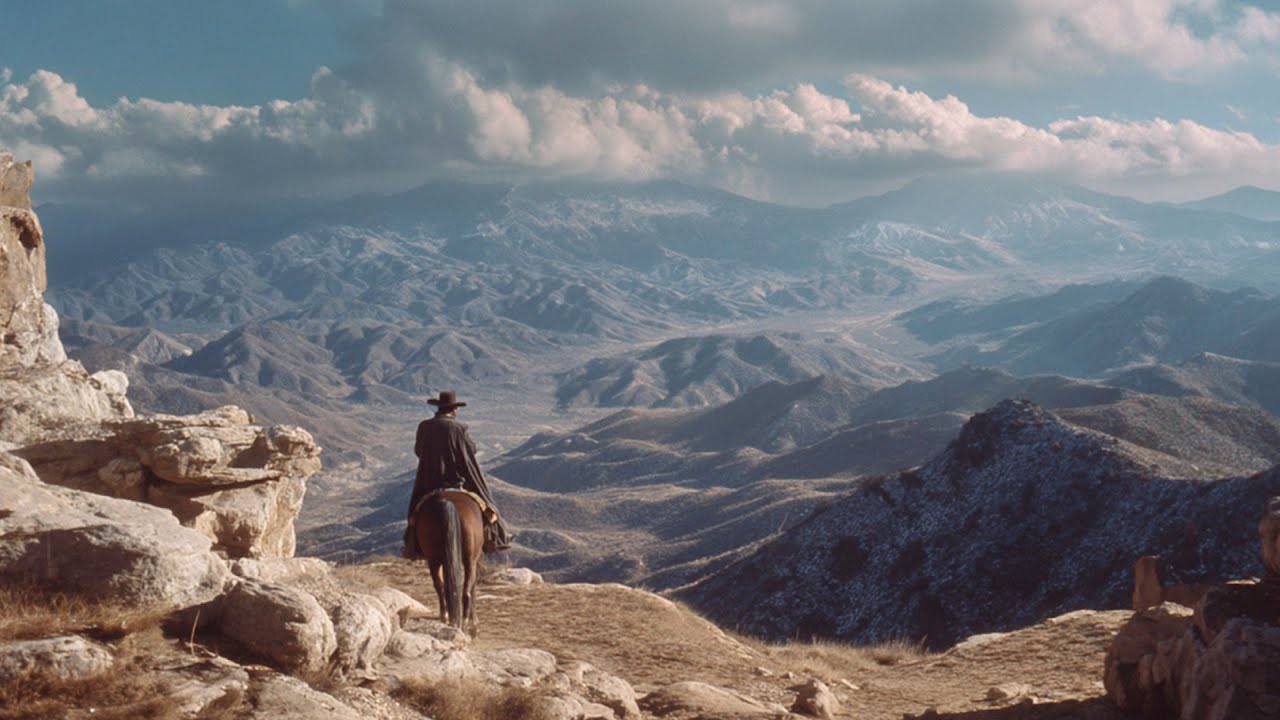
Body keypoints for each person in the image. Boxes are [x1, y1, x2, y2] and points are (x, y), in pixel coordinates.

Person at [404, 390, 512, 558]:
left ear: (439, 408)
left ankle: (412, 546)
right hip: (456, 480)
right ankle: (496, 538)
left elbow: (419, 451)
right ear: (454, 410)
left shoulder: (424, 426)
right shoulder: (460, 428)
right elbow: (471, 450)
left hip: (430, 480)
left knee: (414, 512)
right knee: (487, 502)